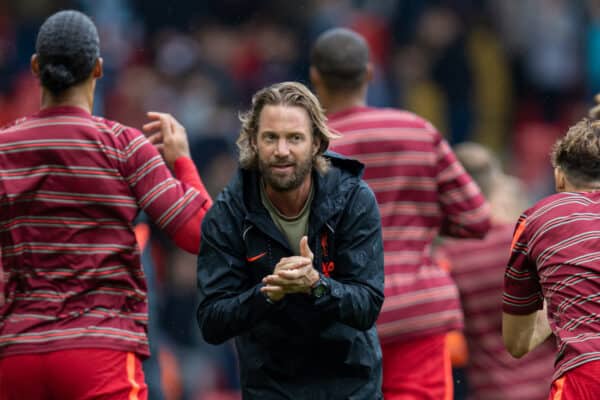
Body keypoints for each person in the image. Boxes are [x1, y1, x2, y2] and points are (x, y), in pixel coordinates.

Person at [0, 10, 212, 400]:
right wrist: (183, 160)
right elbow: (200, 234)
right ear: (98, 69)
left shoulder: (5, 149)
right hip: (100, 353)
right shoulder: (126, 146)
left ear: (35, 67)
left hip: (16, 355)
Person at [309, 28, 491, 399]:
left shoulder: (309, 147)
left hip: (342, 317)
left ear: (315, 77)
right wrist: (419, 219)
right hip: (417, 314)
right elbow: (476, 218)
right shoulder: (417, 131)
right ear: (370, 73)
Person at [196, 81, 385, 399]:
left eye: (294, 138)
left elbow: (367, 305)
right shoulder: (228, 212)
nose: (281, 150)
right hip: (270, 387)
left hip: (351, 384)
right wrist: (269, 293)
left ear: (316, 144)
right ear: (253, 142)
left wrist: (316, 284)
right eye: (271, 137)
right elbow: (212, 322)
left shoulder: (353, 198)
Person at [441, 142, 554, 400]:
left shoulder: (448, 259)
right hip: (549, 388)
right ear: (495, 185)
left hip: (490, 391)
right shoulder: (529, 241)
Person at [503, 117, 600, 399]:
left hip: (585, 376)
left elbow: (517, 342)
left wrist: (563, 294)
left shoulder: (537, 219)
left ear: (558, 176)